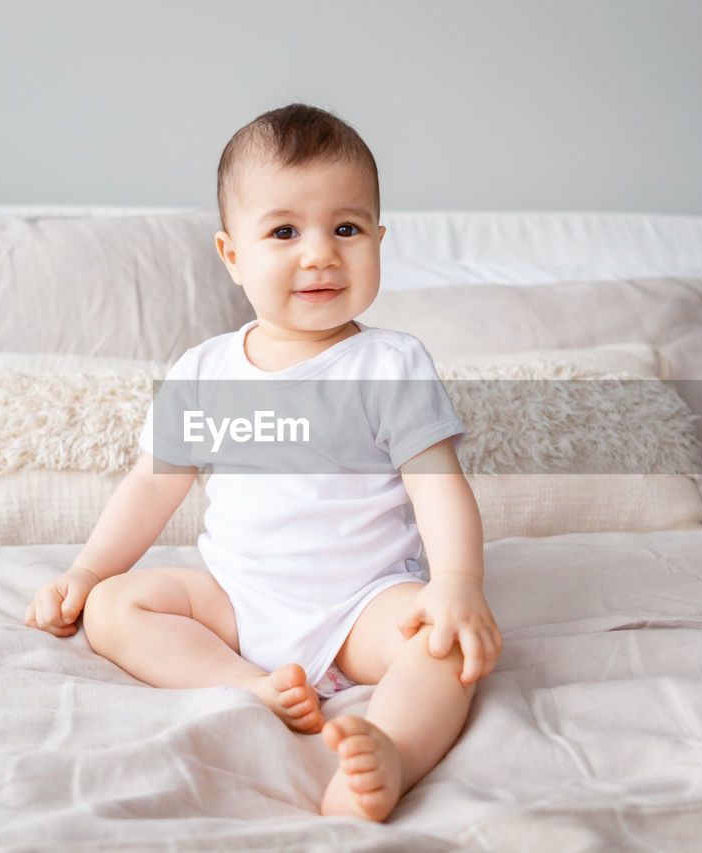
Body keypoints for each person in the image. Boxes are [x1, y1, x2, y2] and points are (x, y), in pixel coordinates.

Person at [25, 103, 502, 822]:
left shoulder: (388, 363)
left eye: (346, 228)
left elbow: (438, 487)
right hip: (237, 602)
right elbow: (154, 483)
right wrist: (89, 571)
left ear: (378, 237)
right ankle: (251, 686)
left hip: (361, 605)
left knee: (445, 645)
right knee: (116, 608)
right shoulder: (206, 368)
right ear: (232, 254)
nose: (319, 254)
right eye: (284, 231)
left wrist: (459, 583)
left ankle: (392, 752)